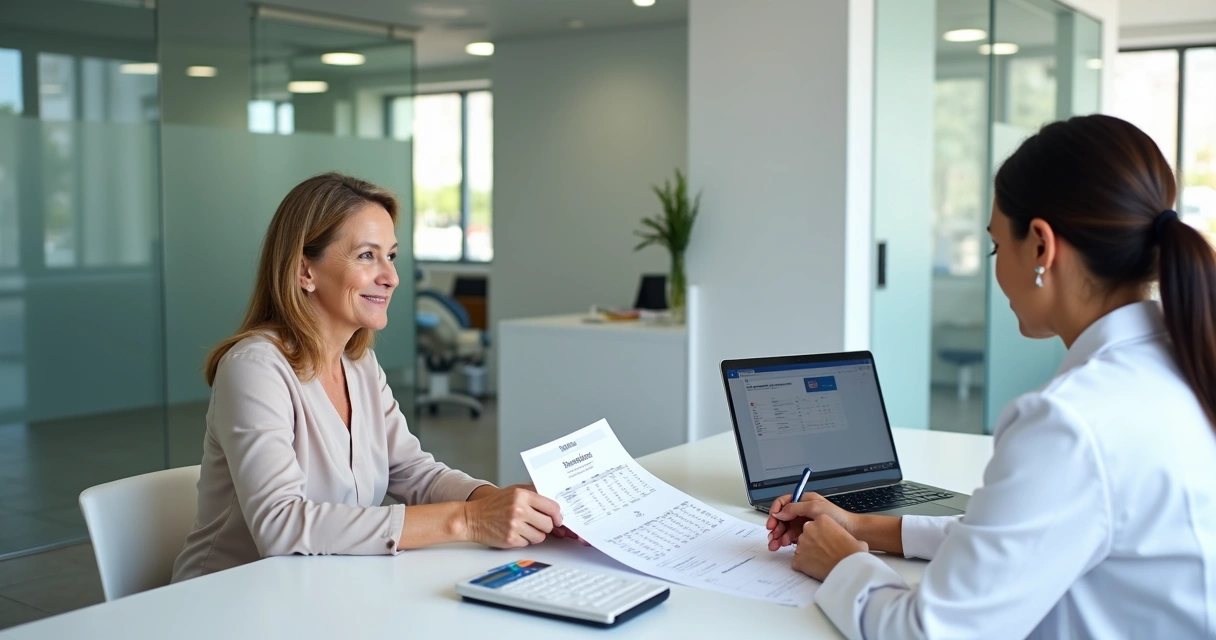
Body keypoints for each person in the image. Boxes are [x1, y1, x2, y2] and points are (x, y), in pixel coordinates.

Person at [766, 115, 1216, 639]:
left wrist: (843, 565)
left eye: (996, 246)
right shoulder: (1180, 363)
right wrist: (861, 525)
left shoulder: (1069, 422)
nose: (996, 268)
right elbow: (1022, 535)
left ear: (1042, 247)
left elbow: (928, 633)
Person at [173, 173, 571, 582]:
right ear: (305, 271)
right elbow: (281, 525)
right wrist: (467, 519)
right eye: (366, 256)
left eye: (391, 256)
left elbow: (412, 471)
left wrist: (500, 502)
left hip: (320, 588)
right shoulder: (255, 367)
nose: (391, 277)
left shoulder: (359, 365)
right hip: (227, 602)